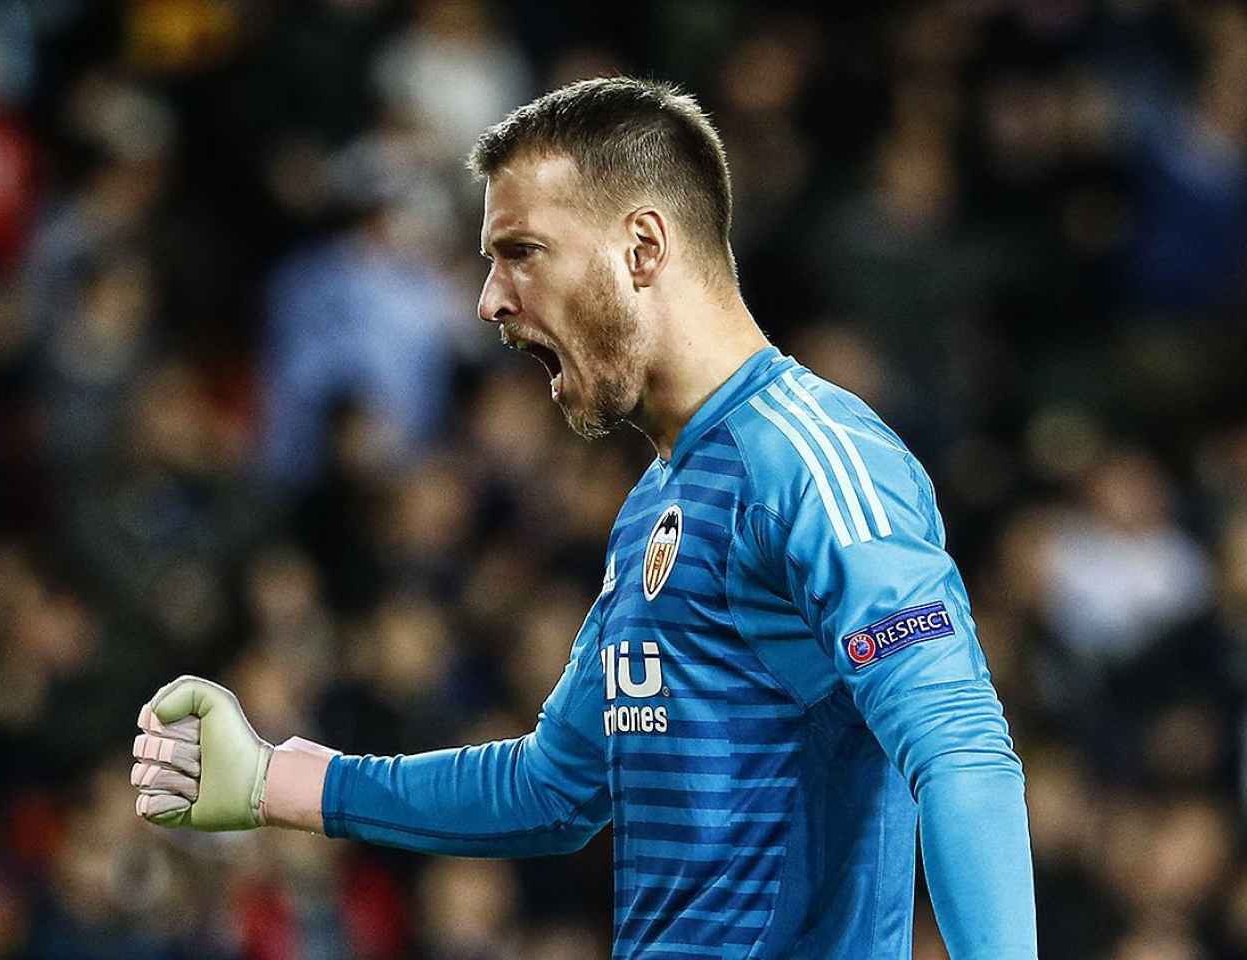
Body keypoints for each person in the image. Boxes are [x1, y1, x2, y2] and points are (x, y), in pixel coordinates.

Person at [129, 77, 1037, 958]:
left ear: (643, 247)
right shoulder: (654, 506)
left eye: (520, 251)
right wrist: (276, 778)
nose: (489, 299)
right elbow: (554, 788)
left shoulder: (811, 461)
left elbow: (959, 748)